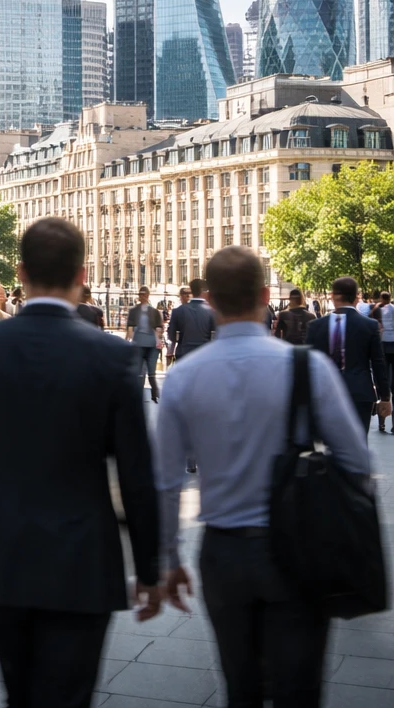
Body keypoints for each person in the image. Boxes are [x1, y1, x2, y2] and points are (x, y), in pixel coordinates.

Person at [0, 218, 160, 708]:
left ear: (20, 273)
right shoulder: (111, 357)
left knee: (20, 694)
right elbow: (136, 474)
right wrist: (149, 568)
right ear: (82, 275)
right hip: (84, 560)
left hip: (0, 556)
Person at [157, 246, 371, 708]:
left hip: (224, 552)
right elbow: (356, 459)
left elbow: (167, 480)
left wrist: (169, 558)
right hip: (297, 548)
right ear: (265, 294)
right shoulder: (307, 367)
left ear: (210, 299)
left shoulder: (184, 377)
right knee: (301, 689)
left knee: (241, 686)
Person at [307, 276, 392, 434]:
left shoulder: (316, 326)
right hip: (360, 394)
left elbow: (308, 365)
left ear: (332, 296)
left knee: (330, 448)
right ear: (357, 297)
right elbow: (378, 363)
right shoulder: (369, 325)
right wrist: (385, 397)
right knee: (358, 446)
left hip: (325, 396)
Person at [125, 286, 163, 403]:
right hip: (139, 343)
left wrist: (158, 340)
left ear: (147, 295)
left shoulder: (154, 312)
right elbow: (130, 329)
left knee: (151, 371)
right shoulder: (134, 311)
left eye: (144, 294)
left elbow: (158, 328)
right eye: (140, 294)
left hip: (151, 344)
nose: (142, 296)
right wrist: (128, 341)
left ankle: (154, 394)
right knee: (140, 372)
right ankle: (139, 395)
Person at [166, 279, 214, 361]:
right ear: (203, 291)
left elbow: (171, 335)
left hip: (183, 353)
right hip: (204, 354)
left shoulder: (178, 311)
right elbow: (214, 335)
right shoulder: (211, 312)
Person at [371, 292, 394, 433]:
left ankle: (381, 423)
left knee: (382, 385)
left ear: (382, 298)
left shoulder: (377, 309)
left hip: (383, 346)